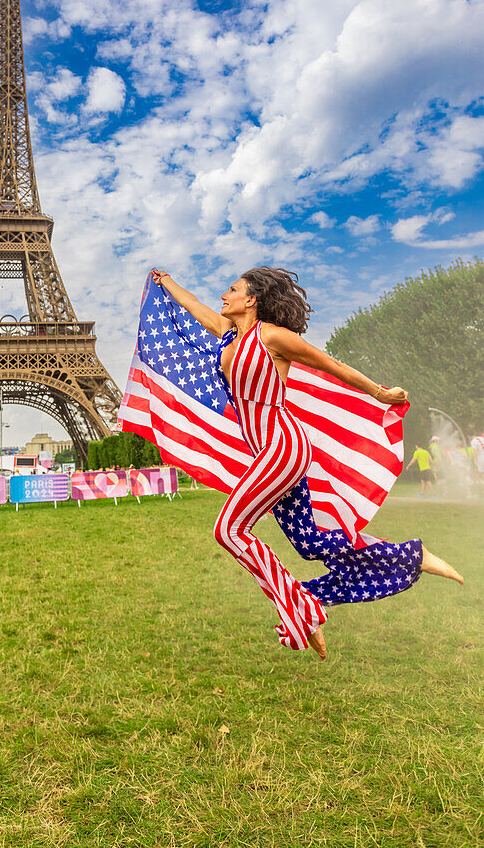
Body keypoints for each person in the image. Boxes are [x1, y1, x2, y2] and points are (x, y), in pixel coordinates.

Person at [151, 267, 463, 659]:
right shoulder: (229, 335)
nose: (223, 295)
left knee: (229, 530)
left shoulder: (272, 336)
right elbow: (194, 305)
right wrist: (166, 283)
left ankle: (300, 607)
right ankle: (410, 557)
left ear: (252, 300)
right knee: (310, 541)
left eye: (232, 290)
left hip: (282, 447)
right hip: (266, 451)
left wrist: (381, 393)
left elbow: (329, 364)